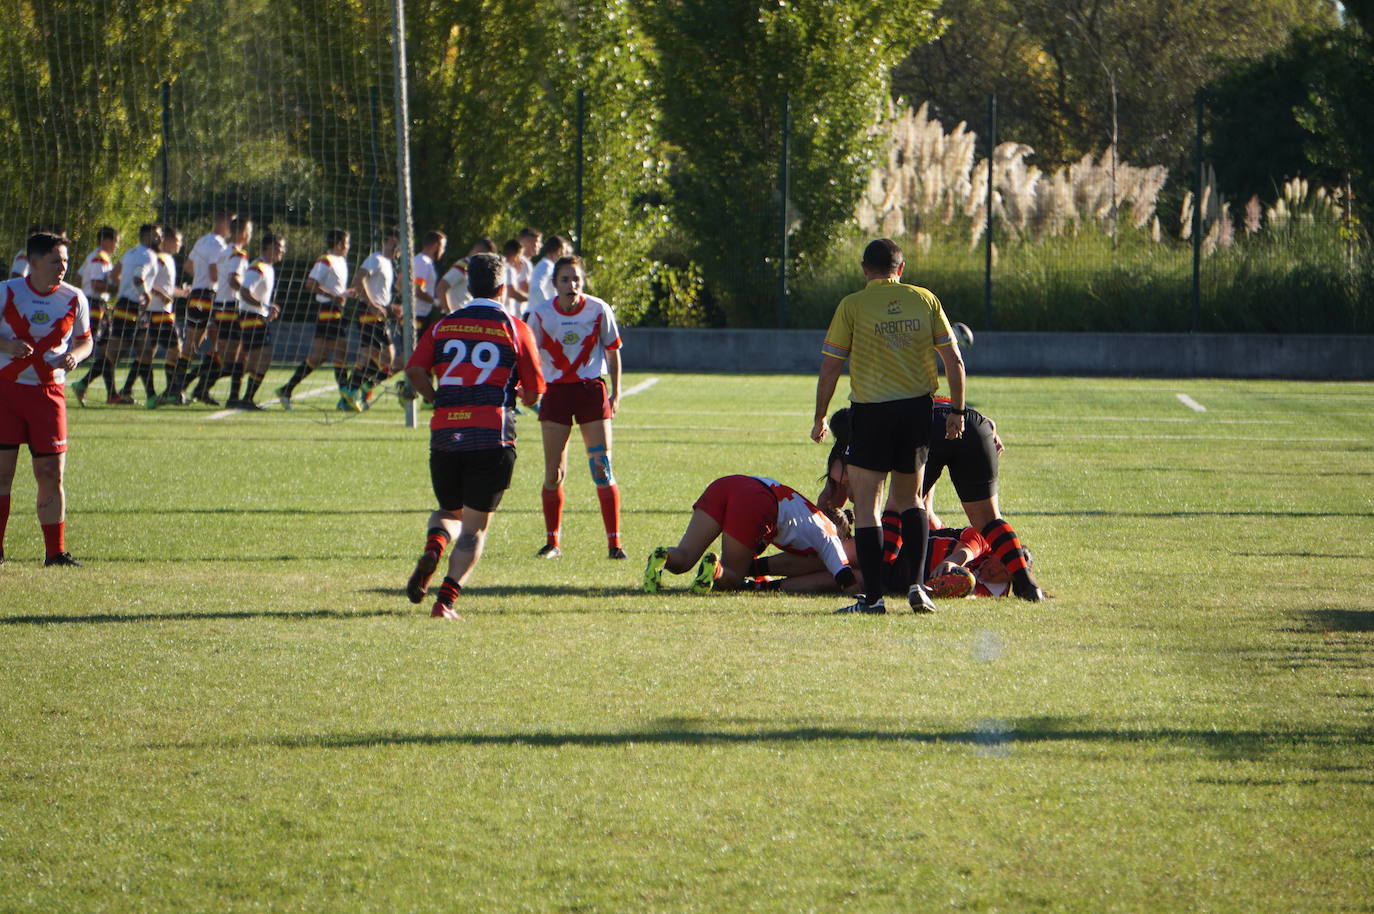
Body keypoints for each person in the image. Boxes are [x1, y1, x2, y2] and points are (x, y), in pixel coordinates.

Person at [811, 237, 965, 615]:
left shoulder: (852, 305)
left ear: (865, 269)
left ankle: (874, 598)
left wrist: (819, 416)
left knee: (867, 509)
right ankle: (917, 587)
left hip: (871, 413)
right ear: (902, 268)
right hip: (916, 411)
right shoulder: (924, 299)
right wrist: (958, 411)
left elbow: (831, 366)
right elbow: (954, 360)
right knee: (912, 501)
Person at [402, 252, 545, 619]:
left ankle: (435, 545)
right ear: (502, 288)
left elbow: (415, 370)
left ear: (469, 284)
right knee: (474, 527)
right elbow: (533, 394)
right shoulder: (516, 327)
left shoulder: (443, 325)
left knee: (449, 510)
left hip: (446, 435)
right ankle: (445, 601)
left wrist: (435, 398)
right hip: (491, 437)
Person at [820, 403, 1045, 601]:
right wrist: (990, 430)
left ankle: (881, 579)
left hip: (930, 426)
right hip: (973, 424)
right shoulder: (907, 398)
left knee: (899, 505)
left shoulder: (876, 411)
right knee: (988, 521)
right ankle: (1026, 582)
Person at [0, 231, 92, 566]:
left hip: (49, 394)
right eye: (56, 261)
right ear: (33, 262)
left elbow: (86, 341)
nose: (63, 267)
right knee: (2, 472)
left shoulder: (74, 297)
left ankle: (55, 553)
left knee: (51, 472)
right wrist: (7, 345)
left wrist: (76, 357)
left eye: (66, 261)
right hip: (5, 392)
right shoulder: (6, 292)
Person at [524, 255, 625, 559]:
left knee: (601, 468)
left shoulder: (599, 309)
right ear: (555, 284)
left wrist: (616, 394)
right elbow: (528, 356)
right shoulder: (541, 315)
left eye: (576, 279)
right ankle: (553, 543)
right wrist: (526, 388)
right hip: (556, 395)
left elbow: (612, 352)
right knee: (554, 473)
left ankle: (614, 544)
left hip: (590, 392)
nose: (572, 285)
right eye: (565, 280)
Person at [642, 475, 858, 595]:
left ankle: (663, 557)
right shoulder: (829, 534)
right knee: (733, 576)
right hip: (757, 500)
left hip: (729, 484)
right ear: (842, 535)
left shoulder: (806, 513)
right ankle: (716, 570)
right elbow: (844, 576)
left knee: (684, 558)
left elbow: (756, 540)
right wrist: (863, 593)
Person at [277, 228, 352, 410]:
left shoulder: (340, 261)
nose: (349, 246)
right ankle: (346, 397)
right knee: (340, 352)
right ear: (339, 244)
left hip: (334, 311)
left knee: (318, 357)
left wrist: (344, 294)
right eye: (347, 243)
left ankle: (286, 389)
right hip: (327, 312)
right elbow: (310, 284)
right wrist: (333, 296)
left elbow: (333, 289)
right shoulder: (325, 260)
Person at [166, 211, 233, 403]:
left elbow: (188, 266)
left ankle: (184, 388)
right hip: (209, 297)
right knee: (218, 346)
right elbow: (214, 275)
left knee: (195, 345)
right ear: (225, 223)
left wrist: (200, 277)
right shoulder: (219, 245)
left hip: (196, 294)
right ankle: (182, 387)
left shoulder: (203, 240)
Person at [97, 223, 162, 406]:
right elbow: (138, 278)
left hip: (126, 304)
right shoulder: (148, 255)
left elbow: (114, 273)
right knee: (115, 353)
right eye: (156, 235)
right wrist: (145, 294)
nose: (159, 239)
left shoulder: (130, 252)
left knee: (145, 349)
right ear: (145, 237)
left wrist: (123, 289)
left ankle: (150, 396)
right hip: (131, 307)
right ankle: (88, 385)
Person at [190, 217, 251, 405]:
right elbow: (234, 279)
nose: (250, 234)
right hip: (232, 308)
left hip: (220, 306)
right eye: (249, 230)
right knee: (237, 359)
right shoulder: (238, 254)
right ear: (242, 233)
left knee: (224, 357)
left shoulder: (224, 251)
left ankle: (199, 388)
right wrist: (251, 296)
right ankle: (231, 397)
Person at [126, 227, 187, 407]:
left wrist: (181, 293)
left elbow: (165, 287)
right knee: (175, 350)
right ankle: (170, 391)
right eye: (177, 240)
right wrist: (160, 294)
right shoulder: (158, 259)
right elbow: (148, 281)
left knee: (146, 354)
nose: (180, 245)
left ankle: (127, 389)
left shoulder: (167, 259)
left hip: (161, 311)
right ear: (167, 240)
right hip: (158, 313)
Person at [341, 229, 398, 411]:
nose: (398, 247)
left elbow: (380, 292)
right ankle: (352, 390)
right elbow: (359, 279)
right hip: (368, 313)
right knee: (383, 357)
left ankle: (352, 393)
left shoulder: (389, 263)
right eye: (395, 241)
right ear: (386, 240)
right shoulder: (376, 259)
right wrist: (372, 304)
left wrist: (389, 309)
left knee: (378, 357)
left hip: (378, 314)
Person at [228, 232, 285, 410]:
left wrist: (266, 308)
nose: (283, 252)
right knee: (263, 357)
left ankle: (237, 398)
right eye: (281, 248)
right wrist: (264, 306)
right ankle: (244, 399)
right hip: (250, 317)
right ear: (270, 248)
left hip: (255, 316)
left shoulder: (268, 267)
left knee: (249, 360)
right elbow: (245, 292)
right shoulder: (257, 267)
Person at [69, 227, 118, 406]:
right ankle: (67, 379)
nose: (117, 245)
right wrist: (117, 287)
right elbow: (97, 284)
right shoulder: (100, 258)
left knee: (107, 351)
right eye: (115, 241)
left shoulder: (92, 256)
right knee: (90, 348)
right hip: (95, 306)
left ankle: (111, 394)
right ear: (105, 240)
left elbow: (77, 277)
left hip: (95, 304)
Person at [435, 236, 496, 314]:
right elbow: (441, 288)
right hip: (457, 317)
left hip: (464, 316)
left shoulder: (472, 266)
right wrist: (449, 314)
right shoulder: (464, 265)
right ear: (481, 252)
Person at [412, 230, 447, 336]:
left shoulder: (423, 261)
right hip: (417, 314)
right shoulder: (423, 262)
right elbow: (417, 290)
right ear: (437, 245)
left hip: (421, 313)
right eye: (443, 247)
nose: (443, 251)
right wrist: (437, 302)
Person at [526, 234, 570, 313]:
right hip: (537, 314)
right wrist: (549, 308)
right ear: (559, 250)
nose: (565, 254)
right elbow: (535, 288)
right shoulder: (546, 265)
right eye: (564, 250)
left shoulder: (549, 266)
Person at [500, 238, 530, 318]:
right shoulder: (509, 269)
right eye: (520, 256)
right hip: (507, 314)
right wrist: (532, 299)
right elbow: (512, 292)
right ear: (516, 255)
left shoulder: (500, 267)